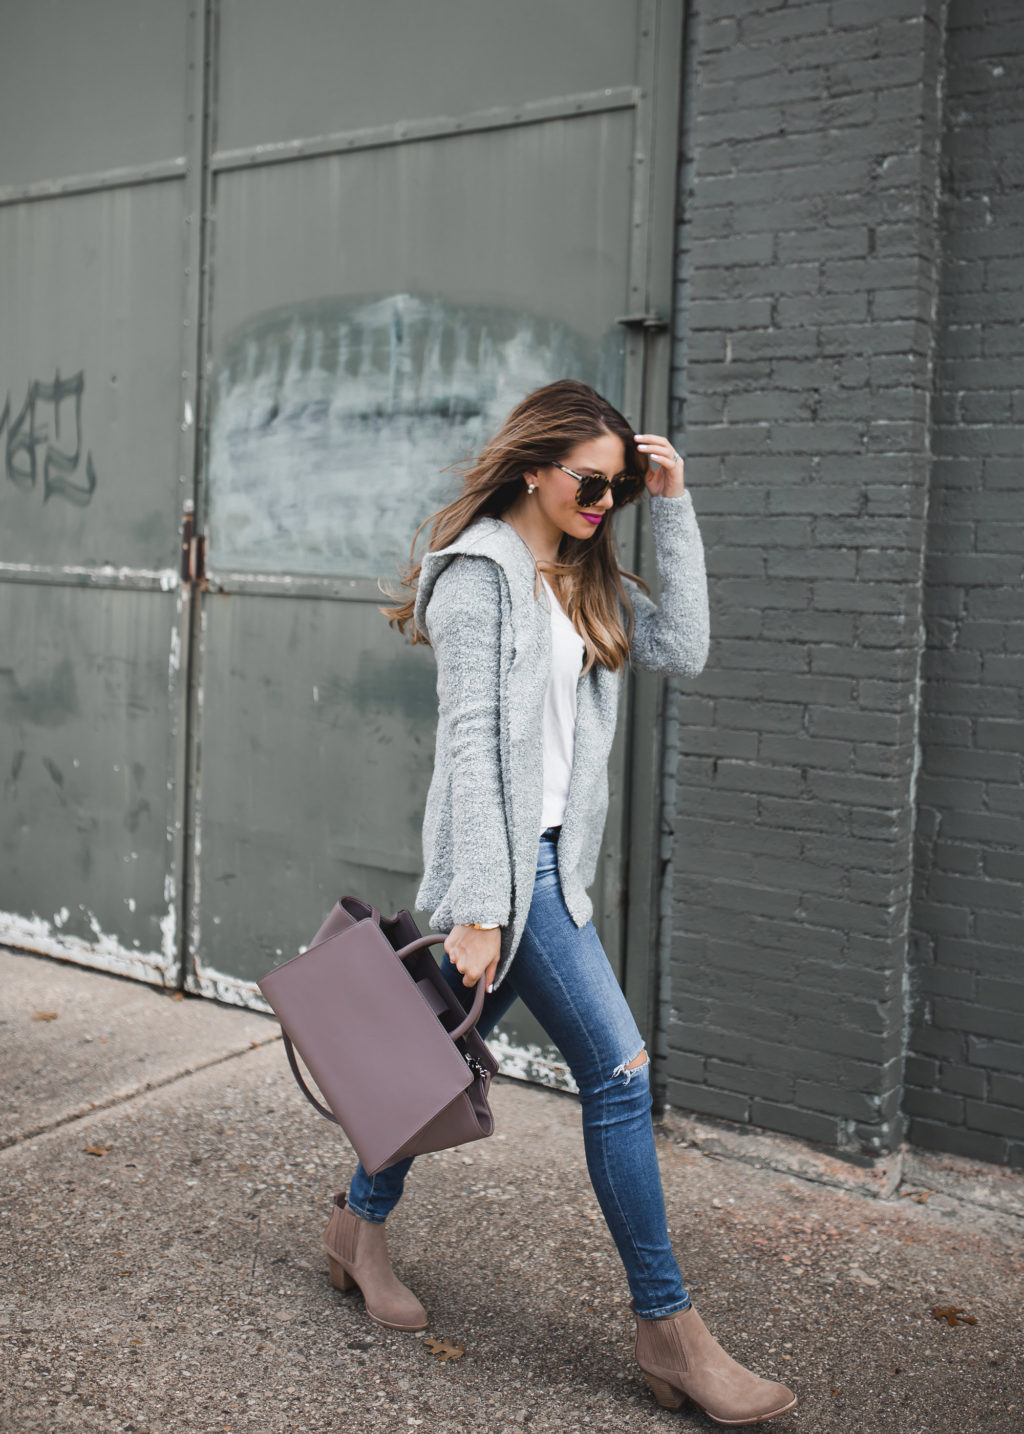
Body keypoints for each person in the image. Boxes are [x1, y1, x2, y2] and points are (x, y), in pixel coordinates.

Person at [322, 379, 797, 1424]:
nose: (603, 502)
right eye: (591, 482)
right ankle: (668, 1331)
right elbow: (473, 748)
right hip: (502, 881)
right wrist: (484, 909)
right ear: (532, 466)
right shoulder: (475, 580)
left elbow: (685, 648)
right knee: (618, 1076)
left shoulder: (582, 574)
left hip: (549, 874)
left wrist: (671, 506)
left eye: (617, 488)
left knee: (424, 1068)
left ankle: (356, 1228)